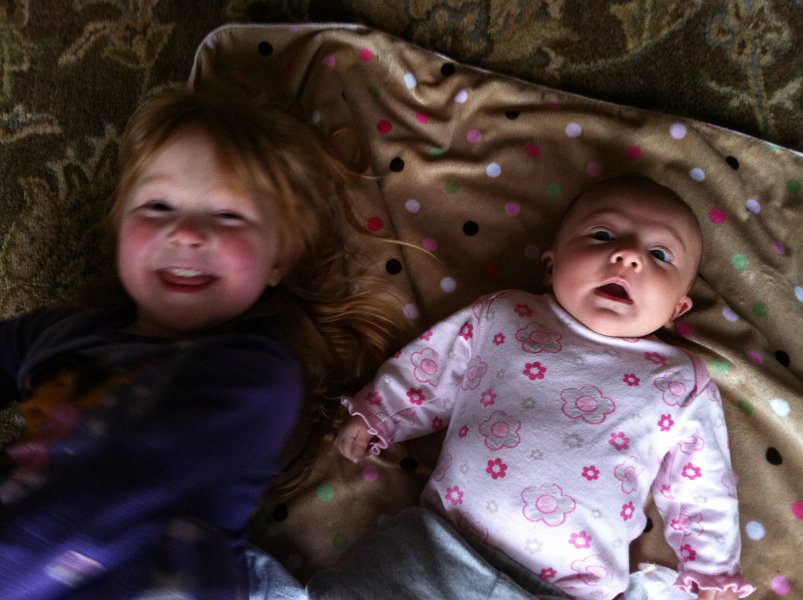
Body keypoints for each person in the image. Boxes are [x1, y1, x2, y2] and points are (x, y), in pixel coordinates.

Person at [0, 85, 401, 599]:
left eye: (228, 214)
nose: (186, 232)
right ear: (119, 228)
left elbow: (122, 488)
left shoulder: (255, 379)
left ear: (278, 259)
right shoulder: (59, 334)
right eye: (158, 205)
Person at [334, 177, 755, 599]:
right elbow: (434, 366)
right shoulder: (505, 315)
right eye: (602, 235)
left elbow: (702, 486)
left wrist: (712, 568)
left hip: (565, 590)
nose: (627, 256)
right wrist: (380, 411)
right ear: (552, 265)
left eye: (660, 255)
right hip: (439, 545)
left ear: (676, 309)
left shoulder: (679, 380)